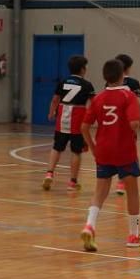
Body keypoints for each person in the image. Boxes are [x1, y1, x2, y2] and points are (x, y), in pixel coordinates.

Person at [79, 59, 140, 251]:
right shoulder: (128, 96)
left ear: (105, 77)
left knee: (100, 191)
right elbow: (134, 123)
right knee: (132, 191)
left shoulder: (98, 98)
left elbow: (84, 127)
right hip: (124, 150)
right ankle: (133, 236)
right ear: (122, 76)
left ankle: (90, 225)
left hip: (103, 149)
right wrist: (136, 124)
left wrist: (93, 149)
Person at [44, 55, 94, 192]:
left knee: (57, 148)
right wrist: (91, 120)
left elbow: (55, 99)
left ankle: (49, 173)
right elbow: (91, 105)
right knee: (76, 152)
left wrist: (51, 113)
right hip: (78, 121)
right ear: (83, 69)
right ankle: (72, 182)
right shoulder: (87, 85)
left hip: (63, 118)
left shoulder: (63, 81)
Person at [113, 53, 140, 196]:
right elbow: (137, 103)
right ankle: (121, 181)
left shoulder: (110, 82)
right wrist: (139, 119)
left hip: (113, 121)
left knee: (116, 150)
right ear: (128, 67)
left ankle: (118, 179)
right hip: (128, 122)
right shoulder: (133, 83)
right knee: (128, 151)